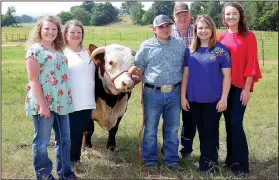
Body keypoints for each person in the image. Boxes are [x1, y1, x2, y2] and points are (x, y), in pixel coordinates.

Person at [131, 14, 185, 173]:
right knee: (150, 129)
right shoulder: (146, 46)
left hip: (175, 92)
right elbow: (139, 67)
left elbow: (185, 67)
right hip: (152, 93)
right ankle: (150, 162)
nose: (165, 29)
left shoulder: (180, 44)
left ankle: (172, 161)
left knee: (173, 128)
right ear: (154, 29)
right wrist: (134, 72)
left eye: (168, 25)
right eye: (161, 26)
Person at [25, 15, 77, 179]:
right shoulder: (34, 50)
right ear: (40, 29)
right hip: (44, 102)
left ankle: (66, 174)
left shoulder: (58, 49)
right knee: (42, 142)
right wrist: (43, 105)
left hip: (61, 101)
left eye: (54, 29)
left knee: (65, 140)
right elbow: (33, 79)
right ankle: (43, 175)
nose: (51, 32)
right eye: (47, 28)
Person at [181, 15, 231, 172]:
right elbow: (186, 76)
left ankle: (209, 166)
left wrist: (224, 98)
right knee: (202, 131)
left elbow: (227, 76)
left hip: (213, 100)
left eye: (206, 27)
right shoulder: (190, 51)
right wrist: (183, 97)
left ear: (212, 29)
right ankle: (208, 162)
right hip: (194, 99)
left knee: (210, 131)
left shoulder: (220, 50)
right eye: (200, 28)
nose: (203, 31)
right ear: (196, 30)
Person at [218, 2, 262, 175]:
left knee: (236, 124)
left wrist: (246, 88)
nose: (231, 17)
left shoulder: (249, 36)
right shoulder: (221, 37)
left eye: (234, 13)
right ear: (224, 17)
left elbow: (252, 62)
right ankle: (230, 160)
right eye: (228, 14)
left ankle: (242, 166)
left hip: (239, 87)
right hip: (224, 89)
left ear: (240, 15)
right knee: (229, 125)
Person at [63, 20, 96, 173]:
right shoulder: (62, 53)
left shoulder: (86, 52)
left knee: (80, 130)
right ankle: (70, 162)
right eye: (72, 32)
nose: (76, 35)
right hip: (71, 101)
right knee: (72, 133)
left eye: (79, 32)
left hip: (87, 101)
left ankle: (75, 160)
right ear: (65, 34)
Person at [171, 2, 195, 159]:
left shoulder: (199, 31)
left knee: (189, 118)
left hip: (193, 82)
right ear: (174, 17)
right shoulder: (167, 31)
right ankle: (169, 149)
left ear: (190, 15)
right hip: (172, 81)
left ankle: (186, 150)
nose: (183, 17)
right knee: (171, 118)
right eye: (179, 15)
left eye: (185, 14)